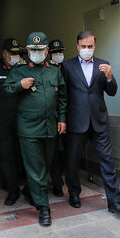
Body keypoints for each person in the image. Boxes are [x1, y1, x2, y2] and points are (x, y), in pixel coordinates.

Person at [3, 32, 67, 226]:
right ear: (27, 50)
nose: (36, 52)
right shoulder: (20, 70)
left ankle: (29, 191)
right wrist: (19, 85)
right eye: (32, 49)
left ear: (46, 50)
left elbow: (62, 96)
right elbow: (5, 90)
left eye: (40, 50)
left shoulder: (54, 70)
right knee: (35, 169)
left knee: (45, 165)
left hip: (50, 126)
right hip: (29, 128)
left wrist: (62, 119)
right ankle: (43, 208)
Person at [62, 31, 120, 214]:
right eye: (83, 46)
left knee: (107, 161)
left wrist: (109, 76)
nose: (86, 50)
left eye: (90, 46)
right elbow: (63, 96)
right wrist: (63, 119)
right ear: (77, 46)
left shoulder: (103, 64)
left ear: (94, 46)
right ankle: (74, 193)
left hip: (99, 121)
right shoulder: (67, 66)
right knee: (73, 161)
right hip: (76, 121)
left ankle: (114, 201)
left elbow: (112, 91)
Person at [0, 38, 26, 205]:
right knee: (6, 156)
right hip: (1, 121)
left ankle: (16, 183)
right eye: (13, 53)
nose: (16, 56)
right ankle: (13, 191)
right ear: (4, 54)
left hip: (20, 120)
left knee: (20, 155)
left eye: (18, 53)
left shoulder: (24, 69)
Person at [47, 39, 66, 197]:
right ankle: (58, 184)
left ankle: (61, 180)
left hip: (67, 118)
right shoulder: (48, 70)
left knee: (66, 152)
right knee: (52, 154)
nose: (58, 55)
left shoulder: (69, 68)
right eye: (55, 52)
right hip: (52, 120)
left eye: (60, 52)